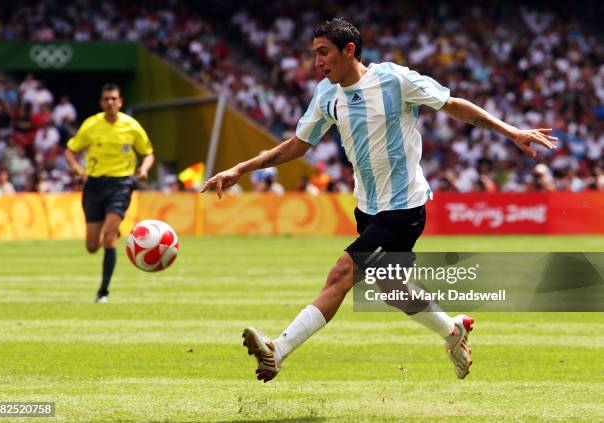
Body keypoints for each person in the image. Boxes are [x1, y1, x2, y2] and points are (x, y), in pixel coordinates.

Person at [201, 18, 557, 382]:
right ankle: (453, 331)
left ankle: (278, 350)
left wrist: (511, 131)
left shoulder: (394, 80)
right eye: (314, 54)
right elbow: (298, 144)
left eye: (323, 53)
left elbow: (452, 105)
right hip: (367, 208)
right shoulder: (327, 95)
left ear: (349, 50)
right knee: (393, 289)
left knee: (341, 273)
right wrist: (241, 169)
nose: (318, 62)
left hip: (403, 208)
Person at [64, 84, 154, 303]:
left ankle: (103, 292)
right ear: (101, 102)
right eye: (106, 99)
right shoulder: (91, 125)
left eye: (114, 99)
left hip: (121, 184)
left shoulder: (131, 126)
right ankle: (112, 228)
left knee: (109, 237)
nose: (110, 102)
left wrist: (143, 169)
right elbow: (70, 151)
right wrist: (78, 170)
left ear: (120, 101)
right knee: (92, 246)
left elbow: (148, 153)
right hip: (94, 185)